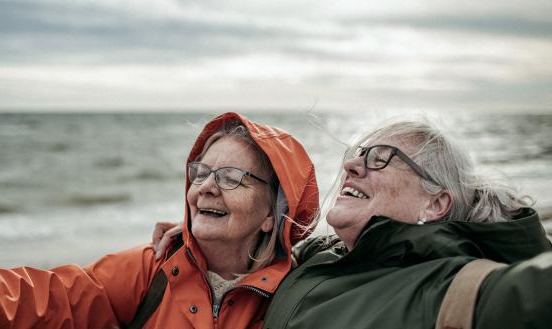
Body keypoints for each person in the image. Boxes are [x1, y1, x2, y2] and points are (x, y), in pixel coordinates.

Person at [0, 112, 320, 329]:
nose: (206, 187)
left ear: (271, 214)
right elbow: (54, 299)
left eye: (231, 178)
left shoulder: (299, 297)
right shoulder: (150, 270)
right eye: (201, 172)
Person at [154, 119, 552, 328]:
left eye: (380, 157)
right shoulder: (319, 258)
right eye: (356, 153)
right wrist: (211, 242)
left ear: (436, 202)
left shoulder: (451, 285)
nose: (350, 165)